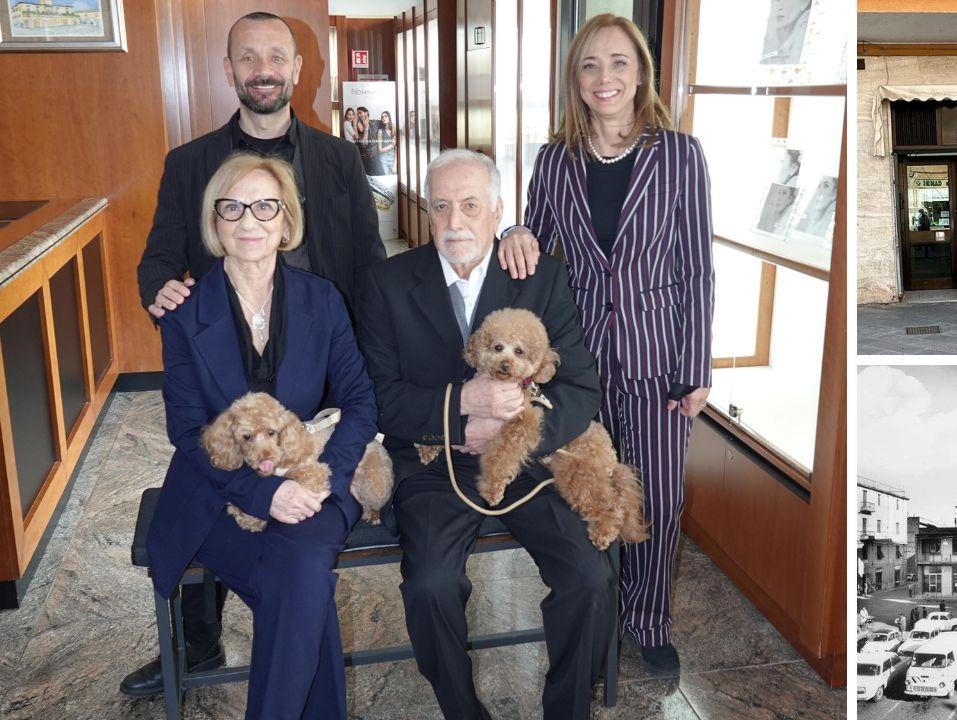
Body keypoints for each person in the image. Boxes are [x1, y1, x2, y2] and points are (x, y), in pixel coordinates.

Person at [125, 10, 385, 699]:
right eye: (249, 57)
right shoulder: (190, 165)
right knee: (298, 583)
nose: (264, 69)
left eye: (277, 56)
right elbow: (158, 256)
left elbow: (367, 264)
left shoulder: (336, 160)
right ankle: (199, 641)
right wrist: (166, 292)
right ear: (230, 70)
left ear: (298, 69)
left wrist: (354, 372)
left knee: (294, 576)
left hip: (317, 393)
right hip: (223, 384)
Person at [356, 149, 613, 720]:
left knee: (589, 579)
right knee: (430, 586)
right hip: (432, 466)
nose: (455, 222)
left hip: (530, 465)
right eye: (441, 206)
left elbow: (579, 389)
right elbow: (378, 395)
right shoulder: (387, 282)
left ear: (497, 211)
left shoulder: (541, 276)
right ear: (425, 211)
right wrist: (461, 408)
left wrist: (516, 424)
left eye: (471, 206)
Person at [495, 13, 713, 679]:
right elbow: (529, 242)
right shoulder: (555, 158)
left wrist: (696, 367)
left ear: (641, 72)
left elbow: (697, 264)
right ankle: (594, 611)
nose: (605, 77)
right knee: (587, 489)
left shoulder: (678, 155)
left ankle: (648, 622)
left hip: (658, 361)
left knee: (660, 498)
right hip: (578, 361)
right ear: (575, 79)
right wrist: (509, 229)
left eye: (619, 63)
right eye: (590, 65)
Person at [144, 153, 377, 718]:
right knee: (301, 587)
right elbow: (187, 431)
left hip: (311, 482)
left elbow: (360, 403)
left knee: (297, 578)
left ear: (286, 219)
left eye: (264, 206)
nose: (249, 220)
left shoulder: (322, 299)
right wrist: (261, 494)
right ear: (215, 222)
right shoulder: (184, 313)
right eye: (232, 207)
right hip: (217, 496)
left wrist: (323, 484)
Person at [376, 110, 397, 176]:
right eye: (382, 117)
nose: (383, 118)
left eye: (385, 116)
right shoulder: (380, 132)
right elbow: (380, 150)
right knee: (386, 178)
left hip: (392, 159)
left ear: (389, 117)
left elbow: (396, 149)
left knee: (396, 178)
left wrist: (395, 164)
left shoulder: (394, 130)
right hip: (383, 159)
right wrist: (391, 145)